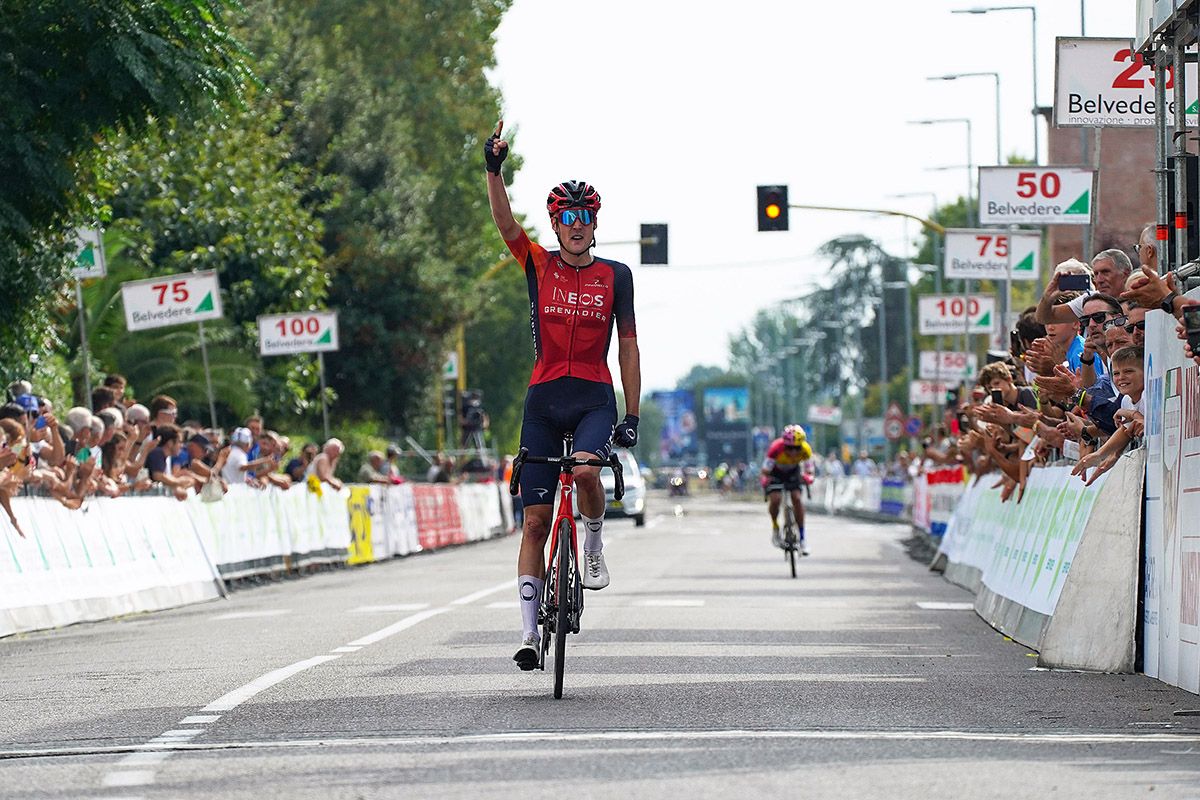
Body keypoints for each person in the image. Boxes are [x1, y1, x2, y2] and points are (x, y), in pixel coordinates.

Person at [484, 120, 641, 670]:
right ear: (556, 224)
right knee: (533, 521)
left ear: (595, 224)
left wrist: (633, 414)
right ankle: (529, 635)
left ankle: (593, 545)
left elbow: (629, 347)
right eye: (566, 217)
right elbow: (504, 223)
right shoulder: (539, 263)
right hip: (544, 400)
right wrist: (494, 170)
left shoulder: (615, 275)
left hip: (595, 396)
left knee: (589, 473)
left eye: (585, 217)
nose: (576, 225)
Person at [759, 425, 813, 553]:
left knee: (797, 499)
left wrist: (808, 477)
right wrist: (764, 480)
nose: (793, 451)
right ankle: (775, 527)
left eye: (796, 448)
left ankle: (802, 538)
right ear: (784, 445)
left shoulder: (806, 449)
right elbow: (765, 471)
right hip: (776, 473)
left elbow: (809, 470)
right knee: (776, 499)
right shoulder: (775, 448)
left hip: (793, 473)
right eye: (789, 448)